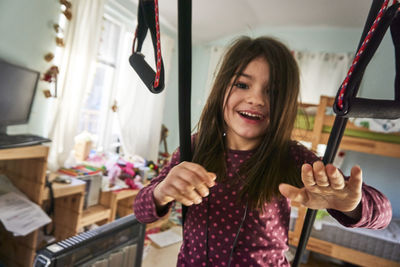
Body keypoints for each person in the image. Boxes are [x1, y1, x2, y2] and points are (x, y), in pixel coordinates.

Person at [133, 36, 392, 266]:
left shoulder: (292, 157)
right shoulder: (194, 148)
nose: (257, 99)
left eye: (273, 91)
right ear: (221, 88)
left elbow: (383, 215)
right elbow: (141, 211)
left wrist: (353, 204)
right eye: (242, 85)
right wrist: (161, 191)